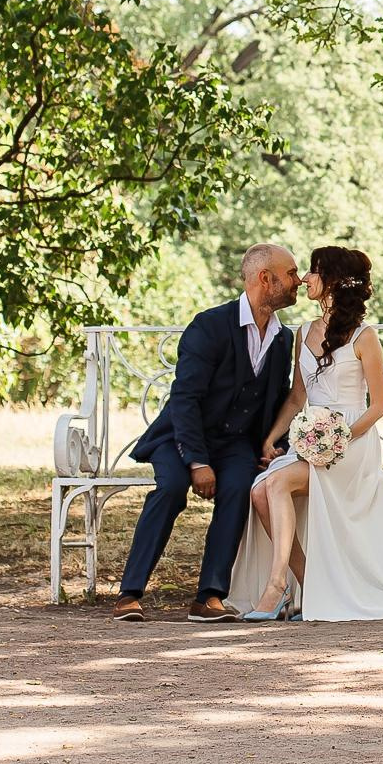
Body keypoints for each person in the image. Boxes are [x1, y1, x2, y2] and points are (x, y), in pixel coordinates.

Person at [233, 244, 383, 622]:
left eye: (313, 271)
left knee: (276, 485)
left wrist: (339, 438)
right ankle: (308, 582)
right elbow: (297, 397)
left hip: (351, 444)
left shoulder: (364, 337)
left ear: (334, 281)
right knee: (259, 492)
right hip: (312, 438)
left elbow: (379, 405)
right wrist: (272, 438)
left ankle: (276, 587)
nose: (305, 278)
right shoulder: (303, 332)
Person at [108, 243, 300, 622]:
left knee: (239, 487)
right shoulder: (209, 325)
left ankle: (209, 596)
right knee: (170, 488)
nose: (298, 281)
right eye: (291, 273)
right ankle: (129, 593)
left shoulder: (283, 338)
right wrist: (197, 462)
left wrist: (273, 445)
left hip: (235, 444)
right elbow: (185, 398)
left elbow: (277, 398)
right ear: (265, 279)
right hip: (181, 436)